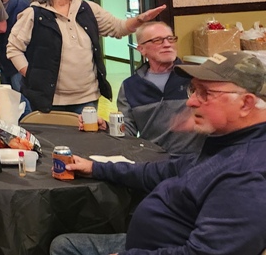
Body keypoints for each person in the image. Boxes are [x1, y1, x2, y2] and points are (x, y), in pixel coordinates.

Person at [49, 51, 266, 255]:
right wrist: (95, 168)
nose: (190, 101)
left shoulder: (246, 176)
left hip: (161, 249)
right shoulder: (227, 142)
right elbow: (161, 171)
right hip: (152, 242)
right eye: (193, 90)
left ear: (245, 104)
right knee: (63, 244)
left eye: (205, 93)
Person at [6, 0, 166, 113]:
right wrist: (32, 75)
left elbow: (119, 28)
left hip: (87, 98)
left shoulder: (88, 9)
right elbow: (14, 48)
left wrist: (140, 19)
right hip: (49, 100)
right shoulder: (33, 14)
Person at [114, 21, 204, 155]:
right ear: (141, 49)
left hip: (194, 158)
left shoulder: (196, 77)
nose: (167, 44)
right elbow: (126, 130)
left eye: (170, 39)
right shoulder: (130, 86)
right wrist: (107, 127)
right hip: (152, 158)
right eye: (157, 40)